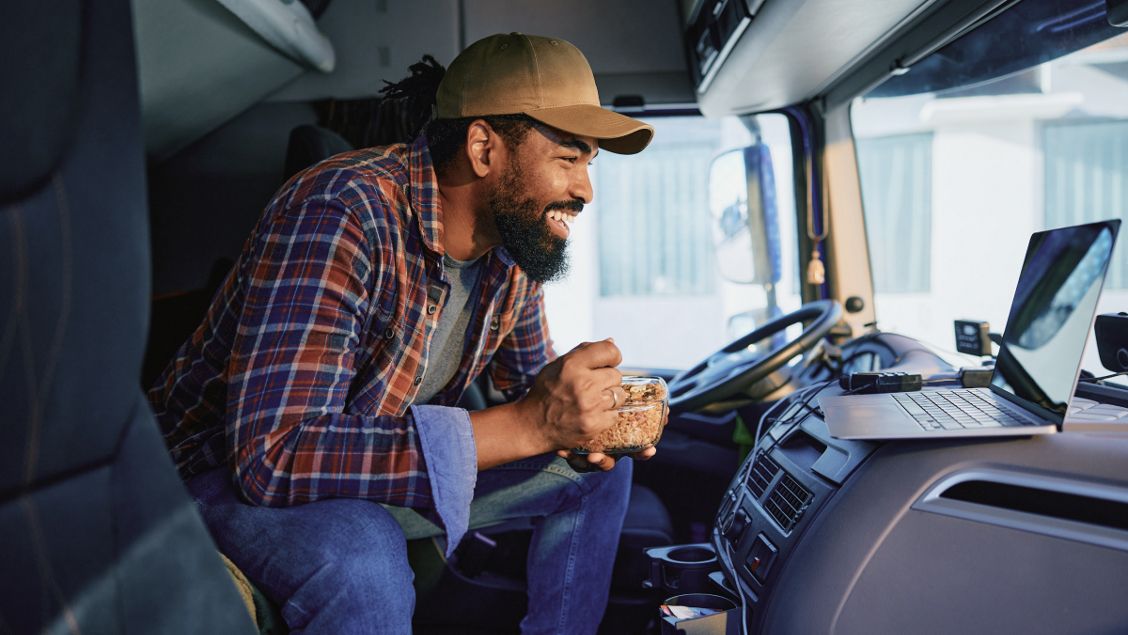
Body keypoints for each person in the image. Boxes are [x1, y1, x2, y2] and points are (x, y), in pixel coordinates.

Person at [148, 32, 656, 634]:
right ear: (484, 148)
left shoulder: (511, 247)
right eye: (569, 159)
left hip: (361, 467)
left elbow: (532, 391)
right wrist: (530, 423)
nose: (585, 190)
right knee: (364, 555)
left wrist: (590, 418)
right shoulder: (344, 209)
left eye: (589, 164)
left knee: (599, 471)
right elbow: (270, 456)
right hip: (211, 475)